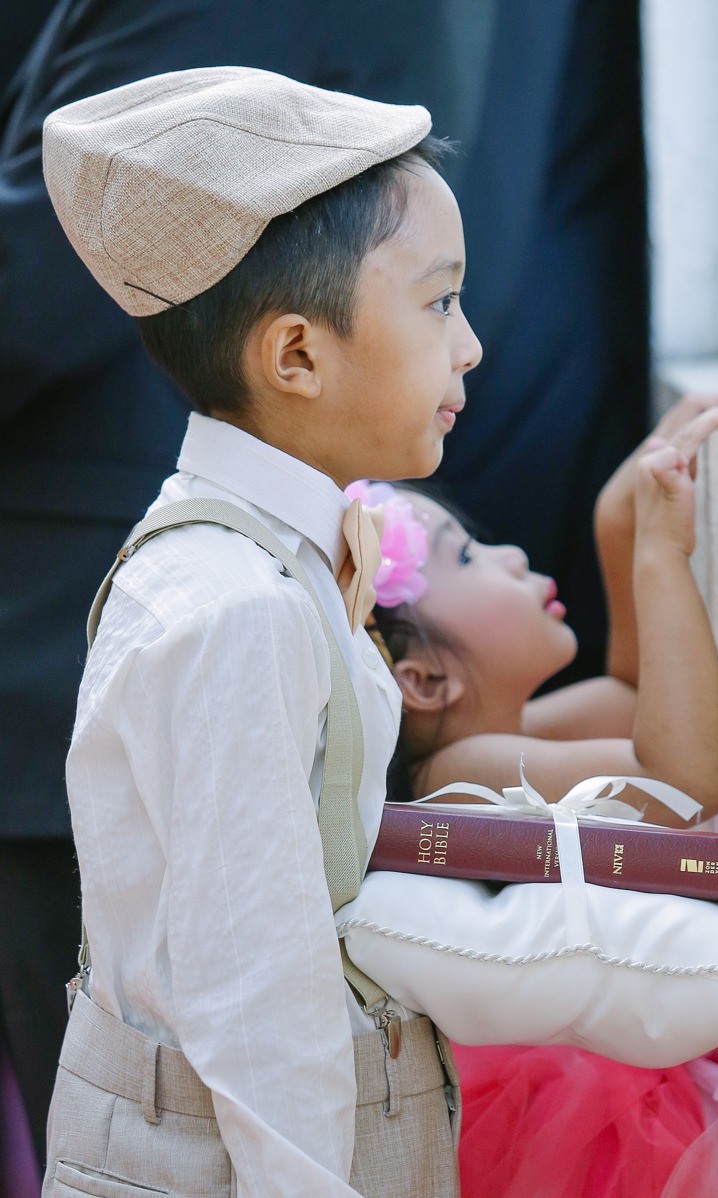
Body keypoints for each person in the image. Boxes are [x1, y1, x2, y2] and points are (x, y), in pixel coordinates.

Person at [39, 67, 481, 1196]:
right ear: (295, 357)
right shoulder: (233, 612)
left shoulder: (284, 554)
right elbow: (257, 999)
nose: (469, 345)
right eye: (439, 302)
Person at [360, 393, 718, 1196]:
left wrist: (619, 522)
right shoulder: (458, 780)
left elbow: (634, 697)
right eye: (466, 559)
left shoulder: (491, 737)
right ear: (424, 680)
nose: (506, 554)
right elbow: (686, 780)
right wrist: (659, 557)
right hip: (574, 1093)